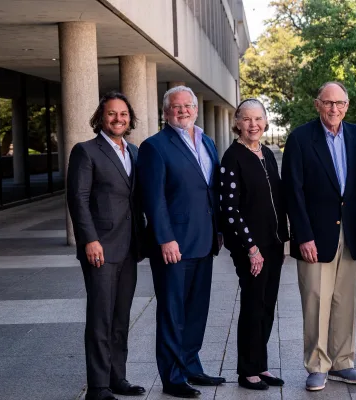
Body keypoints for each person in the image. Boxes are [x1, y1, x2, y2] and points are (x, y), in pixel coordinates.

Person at [137, 86, 225, 398]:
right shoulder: (154, 147)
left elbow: (211, 190)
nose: (183, 111)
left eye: (188, 106)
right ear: (165, 112)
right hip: (173, 245)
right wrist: (165, 238)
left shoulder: (207, 142)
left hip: (204, 241)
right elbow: (154, 198)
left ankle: (191, 365)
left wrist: (219, 231)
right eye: (176, 107)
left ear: (196, 109)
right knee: (172, 312)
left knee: (197, 309)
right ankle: (172, 377)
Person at [282, 81, 356, 391]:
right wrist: (302, 235)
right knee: (316, 299)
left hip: (351, 230)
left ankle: (343, 362)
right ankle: (317, 365)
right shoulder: (300, 139)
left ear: (347, 105)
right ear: (317, 104)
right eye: (329, 103)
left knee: (345, 300)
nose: (335, 109)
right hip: (314, 235)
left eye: (340, 103)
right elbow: (292, 191)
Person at [67, 91, 145, 400]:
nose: (118, 119)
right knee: (100, 317)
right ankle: (98, 387)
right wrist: (90, 240)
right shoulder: (86, 151)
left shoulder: (135, 151)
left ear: (130, 118)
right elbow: (78, 199)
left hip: (129, 247)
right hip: (100, 247)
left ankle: (118, 379)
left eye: (123, 114)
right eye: (112, 114)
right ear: (101, 117)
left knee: (120, 317)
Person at [219, 98, 289, 390]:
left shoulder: (267, 154)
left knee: (267, 305)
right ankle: (247, 369)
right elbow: (230, 209)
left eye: (258, 119)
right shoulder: (232, 157)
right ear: (237, 122)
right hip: (250, 248)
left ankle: (261, 365)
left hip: (272, 245)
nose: (253, 125)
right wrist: (251, 249)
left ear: (265, 122)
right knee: (252, 305)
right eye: (246, 119)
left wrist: (282, 240)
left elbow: (279, 200)